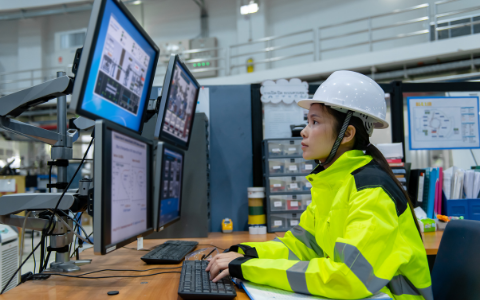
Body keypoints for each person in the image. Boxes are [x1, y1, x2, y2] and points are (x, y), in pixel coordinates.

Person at [206, 70, 432, 300]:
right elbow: (301, 246)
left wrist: (247, 267)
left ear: (347, 134)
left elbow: (348, 277)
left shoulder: (372, 191)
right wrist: (244, 253)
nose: (303, 131)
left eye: (315, 122)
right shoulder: (333, 182)